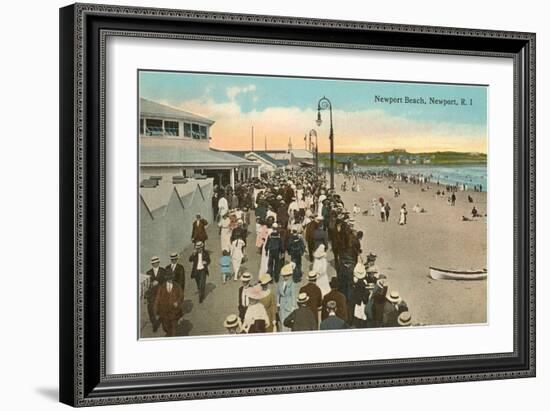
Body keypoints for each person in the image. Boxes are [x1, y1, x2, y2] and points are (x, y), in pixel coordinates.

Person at [153, 273, 183, 337]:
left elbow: (181, 296)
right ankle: (169, 333)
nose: (170, 280)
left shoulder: (177, 286)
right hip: (164, 312)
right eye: (169, 278)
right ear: (166, 278)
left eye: (171, 278)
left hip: (174, 311)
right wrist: (156, 312)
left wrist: (177, 302)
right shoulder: (161, 287)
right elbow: (157, 299)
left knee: (173, 329)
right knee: (165, 327)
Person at [145, 256, 166, 332]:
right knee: (150, 309)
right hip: (152, 295)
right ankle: (154, 324)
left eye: (156, 262)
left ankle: (164, 323)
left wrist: (158, 282)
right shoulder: (148, 273)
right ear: (152, 264)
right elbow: (146, 285)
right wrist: (151, 285)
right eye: (153, 263)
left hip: (161, 293)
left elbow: (166, 281)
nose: (155, 264)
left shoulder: (163, 271)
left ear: (158, 262)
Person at [276, 263, 297, 332]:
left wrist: (293, 306)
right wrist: (278, 302)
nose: (285, 277)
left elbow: (293, 295)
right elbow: (278, 293)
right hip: (282, 305)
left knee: (288, 321)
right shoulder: (280, 284)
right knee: (282, 321)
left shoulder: (292, 284)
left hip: (289, 305)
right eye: (284, 276)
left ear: (290, 276)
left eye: (287, 276)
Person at [350, 263, 370, 328]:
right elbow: (366, 293)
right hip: (362, 301)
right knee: (362, 315)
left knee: (358, 314)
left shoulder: (356, 282)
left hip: (358, 301)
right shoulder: (363, 282)